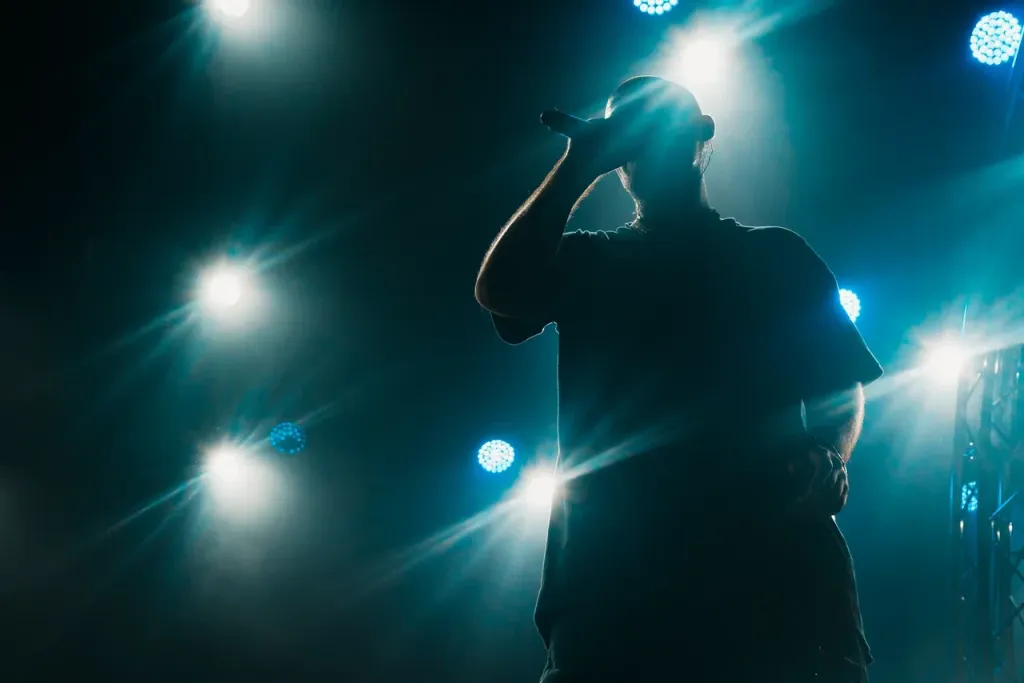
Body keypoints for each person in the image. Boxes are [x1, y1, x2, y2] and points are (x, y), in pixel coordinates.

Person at [474, 75, 883, 683]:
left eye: (662, 128)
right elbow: (499, 290)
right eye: (629, 134)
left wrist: (831, 453)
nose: (647, 145)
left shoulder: (777, 255)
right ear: (618, 159)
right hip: (616, 588)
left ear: (703, 138)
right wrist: (578, 164)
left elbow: (839, 380)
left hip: (775, 579)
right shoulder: (588, 260)